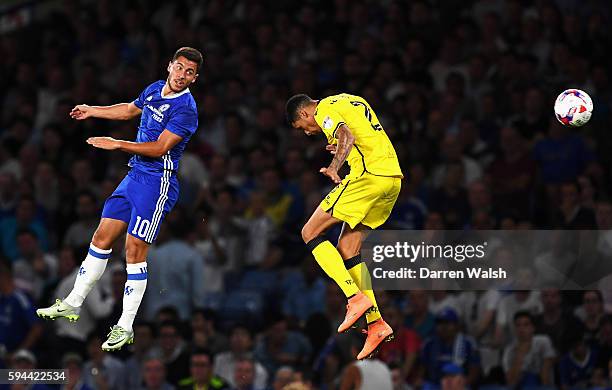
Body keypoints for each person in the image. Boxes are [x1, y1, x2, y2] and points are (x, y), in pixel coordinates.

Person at [36, 47, 203, 351]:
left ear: (195, 77)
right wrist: (92, 110)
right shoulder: (155, 88)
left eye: (189, 72)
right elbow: (128, 109)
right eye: (179, 67)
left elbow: (159, 148)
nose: (182, 75)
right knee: (101, 237)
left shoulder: (186, 109)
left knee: (133, 250)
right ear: (170, 66)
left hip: (157, 182)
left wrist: (116, 144)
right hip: (134, 177)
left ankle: (125, 326)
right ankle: (73, 303)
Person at [286, 93, 403, 359]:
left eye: (301, 128)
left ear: (305, 114)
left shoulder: (325, 108)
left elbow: (348, 136)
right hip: (392, 180)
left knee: (310, 232)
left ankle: (354, 296)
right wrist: (341, 147)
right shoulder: (349, 100)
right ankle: (376, 323)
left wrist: (334, 166)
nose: (306, 133)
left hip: (369, 177)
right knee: (348, 247)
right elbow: (357, 135)